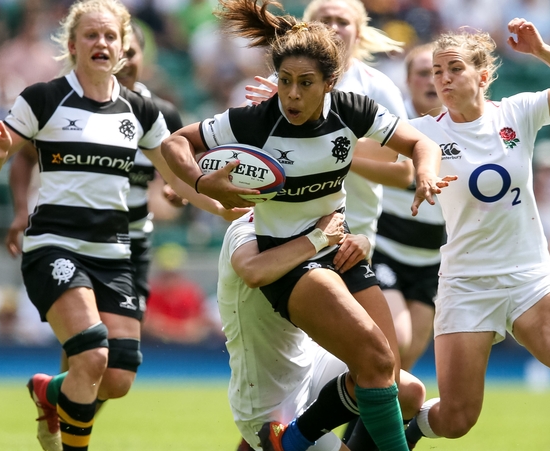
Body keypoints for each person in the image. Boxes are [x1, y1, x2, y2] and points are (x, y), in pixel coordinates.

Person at [160, 1, 451, 450]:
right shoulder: (257, 119)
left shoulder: (352, 109)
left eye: (305, 84)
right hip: (289, 259)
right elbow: (176, 142)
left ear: (330, 84)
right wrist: (203, 182)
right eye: (285, 82)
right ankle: (291, 438)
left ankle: (290, 440)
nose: (292, 95)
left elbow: (420, 143)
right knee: (374, 360)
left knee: (390, 377)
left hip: (339, 249)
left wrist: (426, 172)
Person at [0, 1, 219, 450]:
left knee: (119, 377)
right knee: (90, 354)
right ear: (72, 45)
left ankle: (49, 392)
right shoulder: (43, 98)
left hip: (115, 255)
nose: (101, 43)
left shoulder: (142, 112)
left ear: (124, 48)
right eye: (91, 35)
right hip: (55, 247)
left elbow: (181, 174)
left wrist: (223, 204)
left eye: (110, 36)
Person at [402, 20, 550, 451]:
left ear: (483, 75)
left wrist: (543, 50)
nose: (443, 79)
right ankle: (401, 427)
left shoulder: (518, 112)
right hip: (467, 283)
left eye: (454, 68)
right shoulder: (424, 132)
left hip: (530, 275)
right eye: (437, 71)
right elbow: (357, 146)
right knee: (456, 420)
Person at [220, 210, 425, 451]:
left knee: (410, 392)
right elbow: (254, 272)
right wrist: (319, 238)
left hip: (311, 364)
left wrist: (360, 244)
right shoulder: (247, 229)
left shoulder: (309, 220)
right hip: (269, 399)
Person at [245, 0, 414, 252]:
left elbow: (404, 173)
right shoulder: (280, 85)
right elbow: (253, 152)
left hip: (353, 228)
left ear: (358, 33)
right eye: (325, 21)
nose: (334, 27)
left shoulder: (378, 86)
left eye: (343, 22)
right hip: (285, 225)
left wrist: (331, 147)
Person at [372, 43, 445, 372]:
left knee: (406, 363)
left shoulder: (465, 129)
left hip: (430, 261)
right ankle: (316, 419)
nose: (432, 81)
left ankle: (356, 426)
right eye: (424, 73)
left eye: (440, 72)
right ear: (407, 80)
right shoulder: (389, 125)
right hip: (384, 251)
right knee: (395, 343)